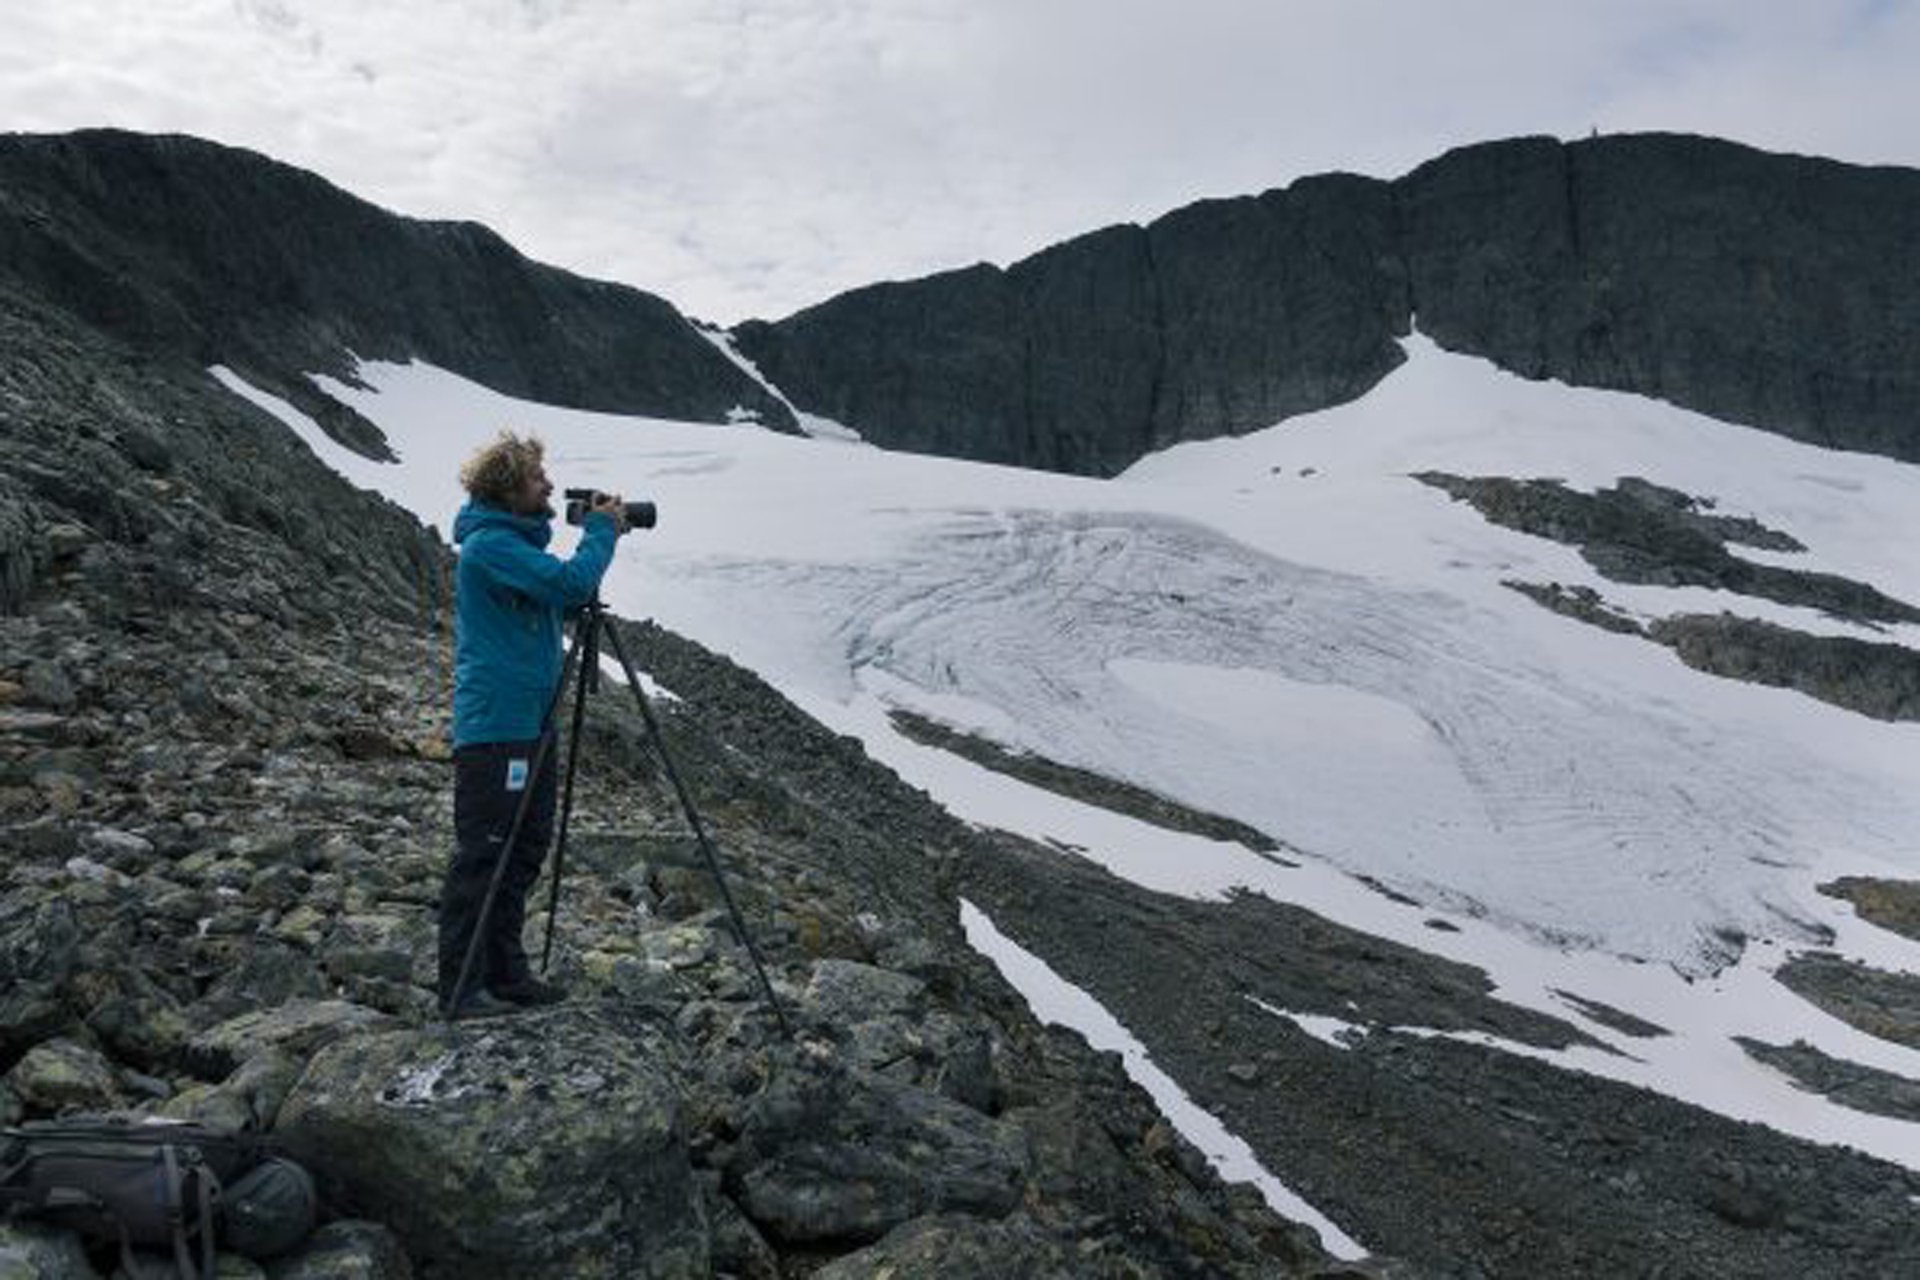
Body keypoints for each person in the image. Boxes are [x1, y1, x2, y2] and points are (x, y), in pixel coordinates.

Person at [437, 430, 628, 1017]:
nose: (548, 485)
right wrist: (601, 533)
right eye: (537, 478)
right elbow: (569, 583)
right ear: (508, 488)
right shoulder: (492, 546)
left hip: (528, 724)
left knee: (523, 849)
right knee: (486, 856)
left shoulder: (512, 547)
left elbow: (562, 597)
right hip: (499, 728)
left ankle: (506, 973)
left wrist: (588, 558)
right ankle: (462, 988)